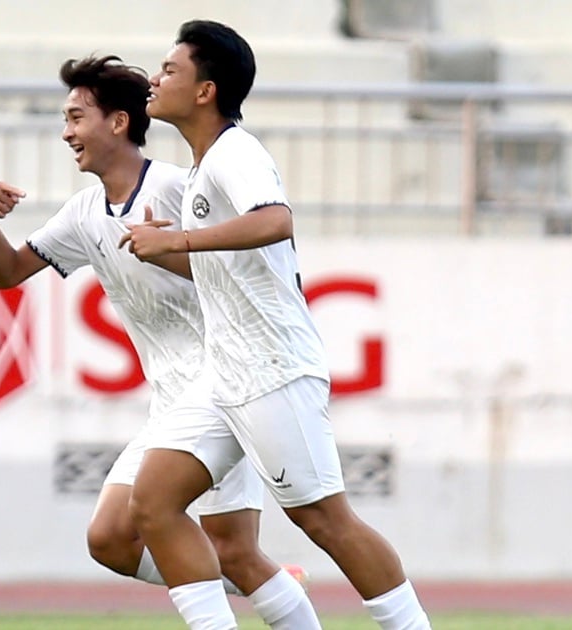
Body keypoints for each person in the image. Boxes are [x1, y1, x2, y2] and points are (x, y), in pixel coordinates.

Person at [0, 54, 319, 629]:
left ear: (118, 123)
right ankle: (260, 581)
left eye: (76, 117)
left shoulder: (178, 188)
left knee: (228, 546)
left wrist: (174, 247)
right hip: (171, 401)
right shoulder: (84, 213)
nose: (66, 132)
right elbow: (8, 273)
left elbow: (249, 270)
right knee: (110, 538)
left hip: (223, 385)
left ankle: (252, 582)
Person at [120, 20, 431, 629]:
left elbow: (276, 221)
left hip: (271, 369)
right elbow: (233, 264)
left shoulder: (237, 151)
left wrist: (180, 237)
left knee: (323, 520)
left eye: (171, 70)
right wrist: (167, 249)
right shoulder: (204, 167)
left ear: (206, 91)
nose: (154, 80)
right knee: (153, 503)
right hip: (225, 373)